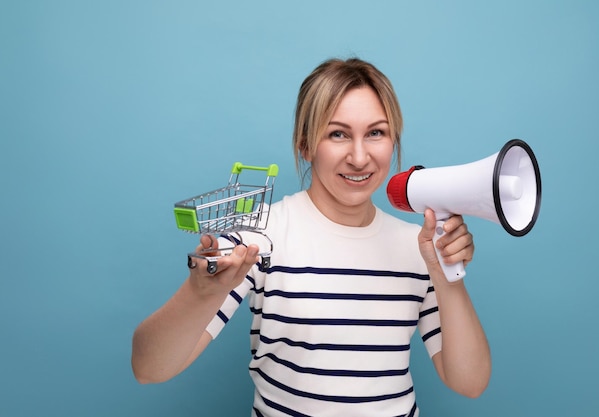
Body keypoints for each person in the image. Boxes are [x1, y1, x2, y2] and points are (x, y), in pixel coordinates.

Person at [132, 57, 491, 416]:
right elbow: (149, 368)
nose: (359, 156)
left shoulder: (418, 247)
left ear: (393, 141)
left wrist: (448, 275)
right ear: (305, 145)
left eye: (376, 133)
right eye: (338, 134)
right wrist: (200, 293)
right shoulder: (258, 237)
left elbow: (470, 383)